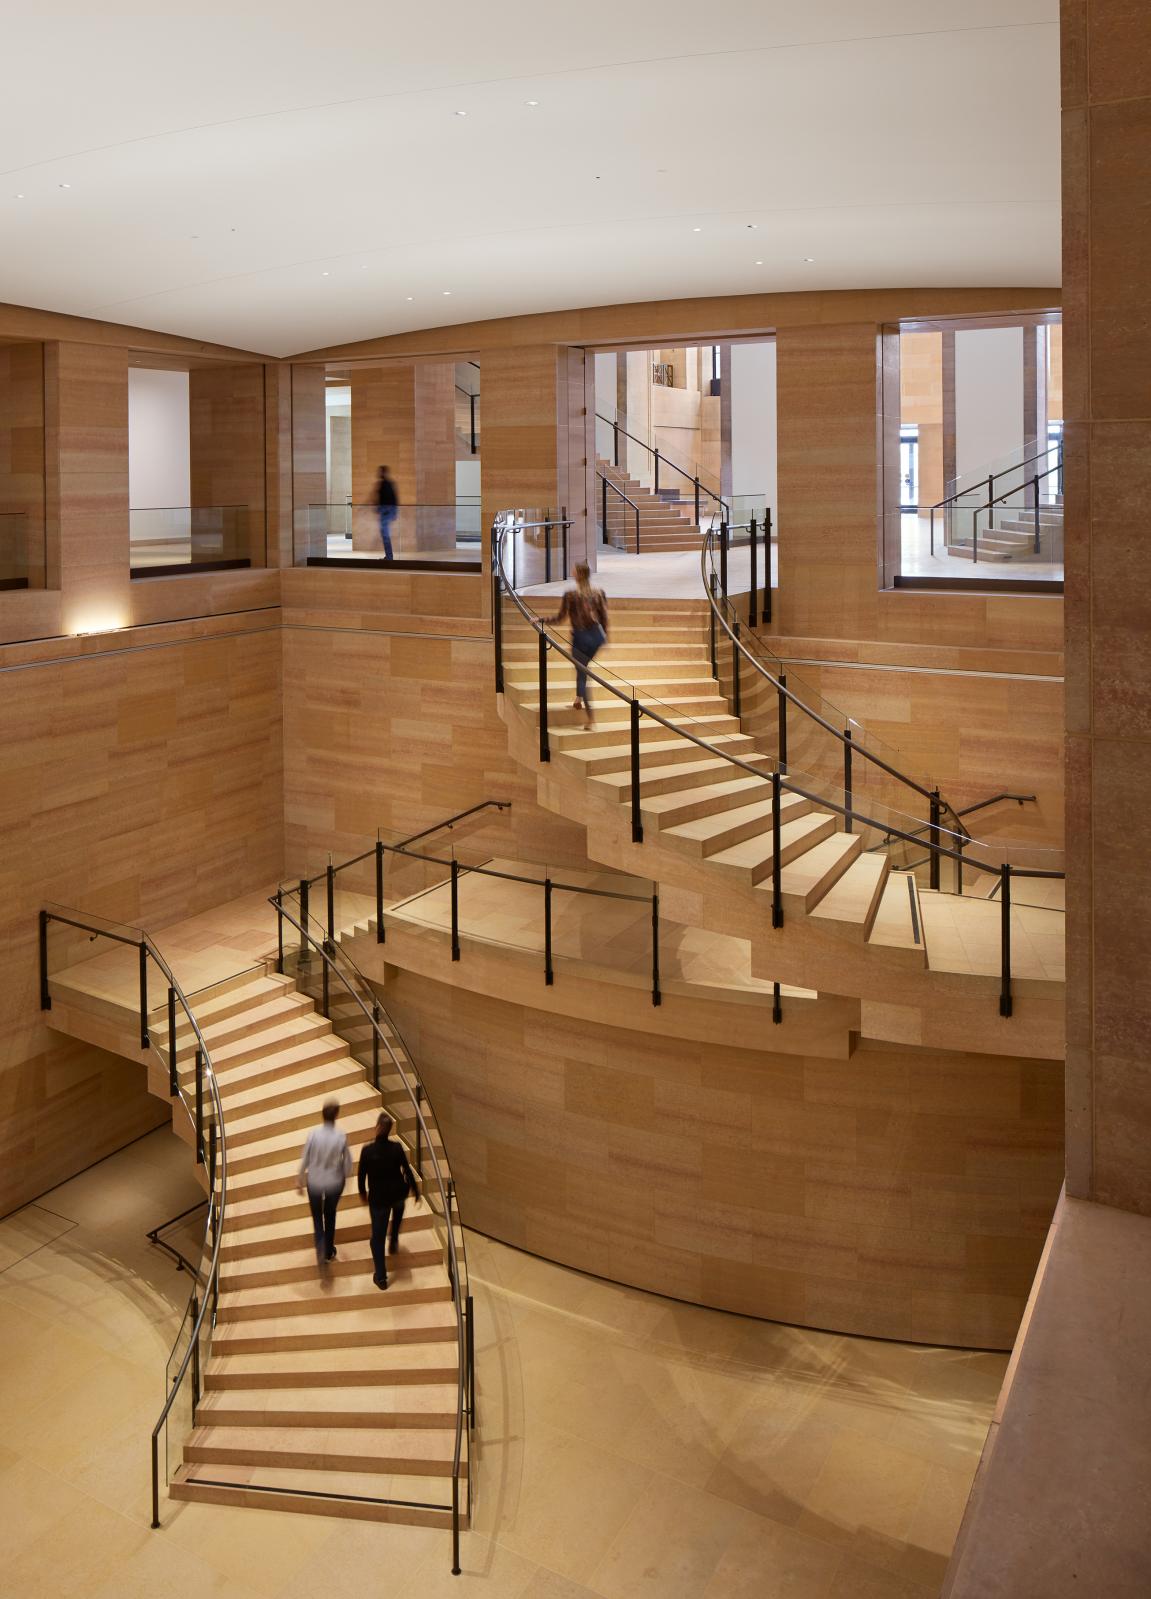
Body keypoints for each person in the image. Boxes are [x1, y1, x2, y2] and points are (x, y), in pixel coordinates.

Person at [357, 1113, 420, 1289]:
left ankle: (382, 1277)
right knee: (397, 1216)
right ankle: (393, 1241)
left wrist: (362, 1192)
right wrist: (415, 1190)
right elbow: (407, 1170)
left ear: (377, 1128)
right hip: (398, 1194)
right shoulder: (397, 1148)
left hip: (379, 1200)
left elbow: (361, 1175)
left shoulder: (368, 1151)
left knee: (377, 1239)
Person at [544, 562, 609, 728]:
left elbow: (560, 618)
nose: (571, 571)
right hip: (597, 638)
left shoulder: (571, 595)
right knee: (583, 668)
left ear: (578, 574)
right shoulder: (599, 593)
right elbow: (604, 618)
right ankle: (578, 698)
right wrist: (606, 637)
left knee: (582, 674)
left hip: (580, 638)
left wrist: (541, 620)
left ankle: (591, 718)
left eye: (574, 570)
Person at [296, 1100, 352, 1271]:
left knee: (317, 1217)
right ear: (336, 1115)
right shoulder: (341, 1136)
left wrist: (299, 1177)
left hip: (315, 1182)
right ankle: (328, 1251)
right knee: (330, 1215)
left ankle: (320, 1243)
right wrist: (345, 1178)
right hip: (334, 1182)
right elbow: (348, 1163)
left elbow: (306, 1157)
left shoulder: (313, 1134)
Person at [373, 465, 399, 561]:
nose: (378, 473)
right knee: (385, 535)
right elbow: (394, 499)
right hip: (386, 512)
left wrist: (382, 510)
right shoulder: (388, 484)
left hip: (385, 513)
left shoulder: (385, 484)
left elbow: (390, 500)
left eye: (380, 471)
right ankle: (389, 556)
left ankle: (389, 557)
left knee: (385, 535)